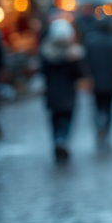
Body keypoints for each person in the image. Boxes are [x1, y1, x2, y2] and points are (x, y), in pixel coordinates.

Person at [40, 19, 85, 162]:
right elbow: (79, 74)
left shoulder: (46, 52)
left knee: (54, 119)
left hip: (52, 92)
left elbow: (42, 72)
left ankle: (57, 140)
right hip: (67, 93)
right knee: (67, 119)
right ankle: (62, 139)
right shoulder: (73, 54)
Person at [84, 19, 112, 147]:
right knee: (109, 109)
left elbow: (86, 63)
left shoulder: (91, 43)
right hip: (111, 82)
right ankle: (107, 132)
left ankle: (98, 128)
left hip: (95, 82)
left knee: (97, 108)